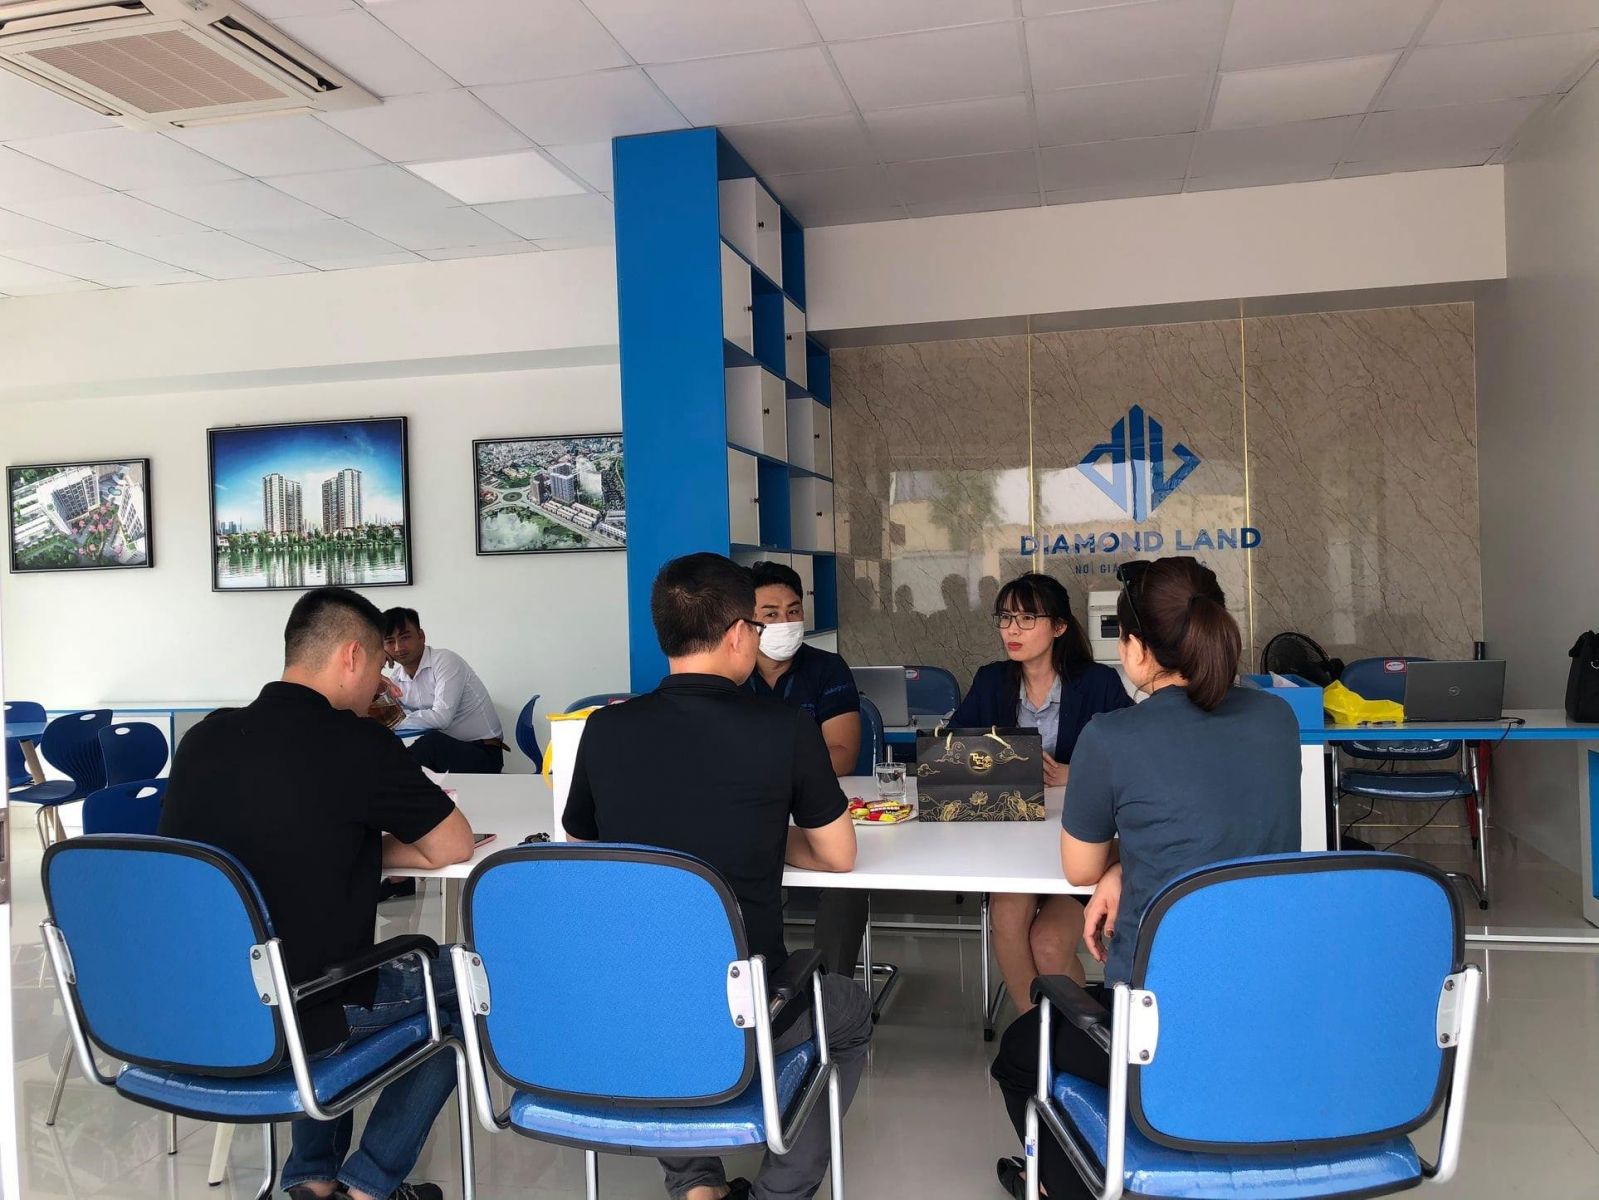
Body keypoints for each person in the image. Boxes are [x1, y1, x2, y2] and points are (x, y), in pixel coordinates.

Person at [988, 557, 1301, 1200]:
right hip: (1268, 1002)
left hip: (1155, 1022)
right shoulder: (1276, 718)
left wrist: (1114, 862)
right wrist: (1130, 861)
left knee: (1019, 1052)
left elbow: (1078, 868)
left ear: (1134, 648)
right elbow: (1227, 823)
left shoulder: (1112, 735)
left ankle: (1069, 1184)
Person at [563, 552, 873, 1200]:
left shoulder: (604, 728)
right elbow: (838, 856)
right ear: (738, 634)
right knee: (849, 1012)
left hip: (633, 1001)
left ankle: (696, 1184)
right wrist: (768, 834)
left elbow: (584, 847)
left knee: (665, 997)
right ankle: (777, 1192)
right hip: (750, 1004)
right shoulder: (784, 728)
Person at [160, 586, 476, 1200]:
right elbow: (452, 845)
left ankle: (313, 1181)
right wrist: (366, 840)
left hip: (204, 1005)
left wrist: (346, 840)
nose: (382, 683)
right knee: (467, 984)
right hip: (309, 1005)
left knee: (310, 967)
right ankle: (367, 1185)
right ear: (352, 656)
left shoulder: (202, 739)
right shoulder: (358, 743)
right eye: (380, 666)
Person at [949, 573, 1132, 1011]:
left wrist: (1076, 773)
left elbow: (1133, 758)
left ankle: (1082, 1040)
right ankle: (1033, 1032)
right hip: (1013, 840)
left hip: (1082, 842)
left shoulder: (1098, 683)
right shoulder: (991, 680)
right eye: (1005, 617)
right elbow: (952, 751)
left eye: (1027, 618)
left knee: (1048, 944)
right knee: (1006, 914)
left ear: (1059, 626)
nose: (1012, 629)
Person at [744, 560, 871, 980]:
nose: (785, 622)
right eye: (771, 614)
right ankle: (756, 985)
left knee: (844, 886)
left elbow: (842, 755)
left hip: (815, 809)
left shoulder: (826, 668)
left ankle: (832, 993)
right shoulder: (729, 676)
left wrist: (763, 771)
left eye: (793, 611)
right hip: (747, 814)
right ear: (746, 621)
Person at [381, 607, 506, 774]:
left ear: (421, 636)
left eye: (405, 637)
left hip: (483, 753)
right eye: (390, 641)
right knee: (388, 748)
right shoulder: (396, 679)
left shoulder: (445, 661)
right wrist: (376, 666)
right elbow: (389, 716)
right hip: (445, 754)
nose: (398, 648)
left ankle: (381, 784)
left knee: (430, 744)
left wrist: (393, 722)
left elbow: (441, 718)